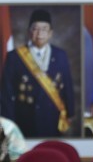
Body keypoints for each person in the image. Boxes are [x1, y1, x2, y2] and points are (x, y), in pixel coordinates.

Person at [0, 9, 74, 138]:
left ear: (50, 33)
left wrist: (70, 113)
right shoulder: (14, 57)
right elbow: (7, 93)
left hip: (52, 118)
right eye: (35, 29)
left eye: (44, 29)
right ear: (29, 32)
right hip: (24, 120)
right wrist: (8, 123)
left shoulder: (60, 55)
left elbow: (67, 85)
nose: (40, 33)